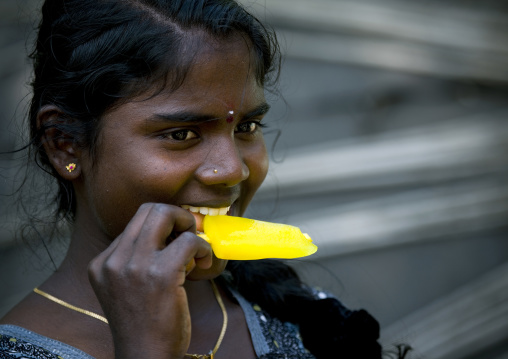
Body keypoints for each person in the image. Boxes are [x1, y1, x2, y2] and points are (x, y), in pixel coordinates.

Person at [0, 0, 407, 358]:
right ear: (64, 145)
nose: (233, 170)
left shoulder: (313, 323)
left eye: (246, 127)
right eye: (181, 134)